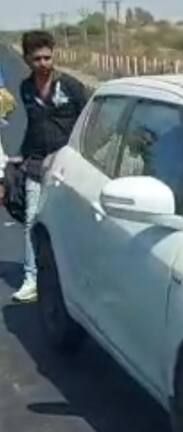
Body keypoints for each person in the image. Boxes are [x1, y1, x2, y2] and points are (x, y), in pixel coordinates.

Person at [11, 31, 87, 302]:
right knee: (32, 221)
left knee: (69, 222)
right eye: (37, 59)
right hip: (36, 162)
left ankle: (77, 279)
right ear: (27, 60)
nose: (43, 63)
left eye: (47, 57)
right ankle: (32, 279)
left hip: (66, 166)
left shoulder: (71, 86)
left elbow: (90, 120)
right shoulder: (26, 88)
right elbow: (34, 124)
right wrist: (20, 155)